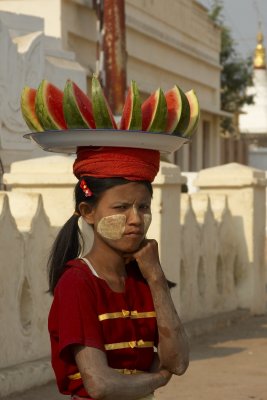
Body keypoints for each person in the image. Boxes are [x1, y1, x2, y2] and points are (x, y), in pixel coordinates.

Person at [48, 146, 189, 400]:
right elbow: (100, 384)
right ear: (88, 212)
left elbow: (177, 362)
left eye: (143, 207)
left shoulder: (144, 276)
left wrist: (156, 278)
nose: (135, 219)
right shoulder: (78, 282)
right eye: (121, 207)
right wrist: (158, 378)